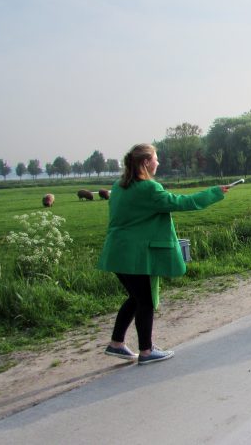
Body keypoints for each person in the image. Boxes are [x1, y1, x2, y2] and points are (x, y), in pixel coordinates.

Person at [98, 143, 234, 365]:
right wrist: (214, 193)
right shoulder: (148, 189)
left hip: (117, 252)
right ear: (145, 162)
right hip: (136, 255)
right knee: (146, 301)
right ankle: (146, 351)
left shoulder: (120, 186)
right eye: (155, 158)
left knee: (135, 298)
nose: (158, 162)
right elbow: (182, 202)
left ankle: (116, 344)